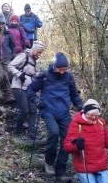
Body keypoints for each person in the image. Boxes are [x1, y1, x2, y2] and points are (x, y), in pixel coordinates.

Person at [27, 52, 83, 182]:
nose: (62, 72)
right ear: (54, 66)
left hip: (64, 113)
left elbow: (74, 94)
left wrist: (79, 105)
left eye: (65, 69)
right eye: (60, 69)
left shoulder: (68, 77)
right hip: (48, 111)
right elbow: (30, 90)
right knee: (54, 132)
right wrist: (36, 101)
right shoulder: (45, 76)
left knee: (68, 140)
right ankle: (49, 162)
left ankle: (61, 169)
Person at [64, 99, 108, 183]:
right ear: (84, 112)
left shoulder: (101, 123)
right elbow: (67, 146)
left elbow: (107, 141)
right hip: (84, 167)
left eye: (96, 115)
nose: (94, 117)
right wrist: (77, 146)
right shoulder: (76, 124)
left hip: (101, 166)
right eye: (91, 115)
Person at [7, 41, 45, 144]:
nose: (39, 54)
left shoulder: (34, 61)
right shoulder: (24, 56)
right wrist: (19, 74)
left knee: (33, 111)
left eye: (40, 53)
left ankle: (32, 134)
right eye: (38, 52)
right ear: (34, 49)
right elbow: (10, 66)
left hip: (29, 89)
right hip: (18, 87)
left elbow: (34, 73)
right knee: (24, 110)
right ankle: (17, 131)